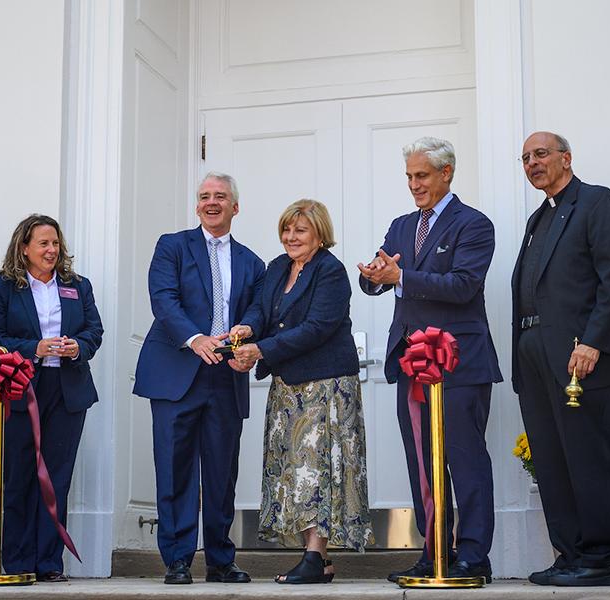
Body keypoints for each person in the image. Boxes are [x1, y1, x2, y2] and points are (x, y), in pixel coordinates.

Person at [358, 137, 501, 583]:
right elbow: (381, 280)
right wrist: (374, 279)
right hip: (411, 363)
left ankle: (473, 555)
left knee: (465, 459)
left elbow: (462, 286)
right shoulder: (401, 225)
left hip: (460, 363)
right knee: (422, 463)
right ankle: (433, 549)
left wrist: (400, 276)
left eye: (422, 175)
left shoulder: (474, 224)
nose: (414, 184)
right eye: (409, 176)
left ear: (446, 173)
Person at [513, 132, 610, 587]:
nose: (533, 162)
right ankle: (570, 555)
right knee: (551, 459)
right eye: (526, 158)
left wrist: (592, 341)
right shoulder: (538, 218)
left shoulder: (595, 202)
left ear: (567, 159)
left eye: (541, 154)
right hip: (535, 354)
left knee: (588, 457)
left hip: (582, 356)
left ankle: (603, 558)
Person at [228, 199, 373, 584]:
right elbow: (262, 311)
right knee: (295, 471)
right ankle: (316, 560)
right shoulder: (278, 267)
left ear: (320, 233)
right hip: (288, 385)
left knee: (321, 468)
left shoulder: (331, 271)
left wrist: (262, 349)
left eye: (300, 230)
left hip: (326, 385)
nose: (291, 237)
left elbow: (318, 327)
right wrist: (246, 328)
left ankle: (315, 555)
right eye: (287, 230)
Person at [133, 172, 265, 585]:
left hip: (225, 377)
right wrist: (194, 338)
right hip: (177, 373)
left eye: (220, 196)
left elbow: (260, 309)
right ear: (197, 206)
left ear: (234, 207)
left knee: (222, 473)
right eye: (205, 196)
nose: (212, 202)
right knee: (175, 470)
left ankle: (221, 561)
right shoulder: (173, 246)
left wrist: (246, 328)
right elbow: (163, 299)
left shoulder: (252, 262)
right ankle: (177, 560)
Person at [0, 214, 104, 582]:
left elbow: (94, 331)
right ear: (24, 248)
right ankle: (17, 562)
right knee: (19, 474)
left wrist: (75, 346)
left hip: (67, 389)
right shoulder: (3, 286)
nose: (52, 250)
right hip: (19, 387)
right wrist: (36, 347)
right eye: (44, 244)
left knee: (57, 478)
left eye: (56, 243)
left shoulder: (78, 286)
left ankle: (49, 562)